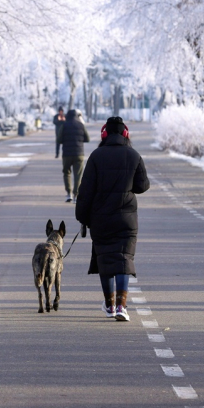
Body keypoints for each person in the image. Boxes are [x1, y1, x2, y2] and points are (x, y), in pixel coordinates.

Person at [75, 117, 149, 322]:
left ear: (104, 135)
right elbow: (142, 186)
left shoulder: (96, 157)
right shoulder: (134, 155)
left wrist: (82, 216)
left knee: (106, 260)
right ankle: (121, 307)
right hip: (127, 220)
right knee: (124, 258)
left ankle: (109, 305)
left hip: (101, 219)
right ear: (126, 134)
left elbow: (85, 191)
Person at [59, 109, 89, 203]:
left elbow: (59, 139)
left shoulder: (64, 125)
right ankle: (76, 195)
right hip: (79, 154)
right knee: (78, 174)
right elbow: (87, 138)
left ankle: (69, 194)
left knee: (66, 172)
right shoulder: (81, 125)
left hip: (67, 154)